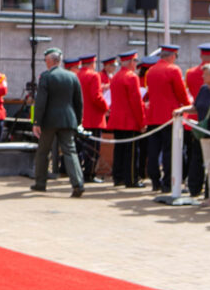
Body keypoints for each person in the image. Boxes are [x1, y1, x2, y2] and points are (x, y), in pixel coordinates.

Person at [174, 62, 210, 210]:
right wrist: (182, 110)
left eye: (206, 74)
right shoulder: (204, 89)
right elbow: (196, 108)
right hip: (205, 133)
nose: (203, 76)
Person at [31, 48, 85, 196]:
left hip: (49, 121)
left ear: (50, 61)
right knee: (70, 152)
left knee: (43, 152)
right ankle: (78, 183)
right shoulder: (72, 77)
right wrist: (78, 121)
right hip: (68, 119)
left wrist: (37, 122)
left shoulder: (46, 77)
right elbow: (79, 101)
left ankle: (40, 183)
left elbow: (41, 102)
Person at [143, 44, 191, 193]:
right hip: (170, 116)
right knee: (170, 151)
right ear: (172, 56)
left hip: (153, 116)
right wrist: (188, 106)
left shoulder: (150, 71)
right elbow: (181, 93)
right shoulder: (173, 70)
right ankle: (167, 183)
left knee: (153, 150)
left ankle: (155, 181)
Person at [184, 43, 210, 198]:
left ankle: (194, 188)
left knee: (196, 157)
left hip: (194, 121)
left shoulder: (190, 73)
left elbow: (186, 95)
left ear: (201, 55)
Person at [108, 51, 147, 188]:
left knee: (119, 150)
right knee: (131, 152)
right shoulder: (131, 77)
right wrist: (142, 121)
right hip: (129, 120)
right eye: (135, 61)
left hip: (117, 119)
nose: (136, 64)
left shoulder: (116, 76)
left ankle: (118, 177)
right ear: (131, 62)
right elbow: (136, 102)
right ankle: (131, 179)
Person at [77, 54, 108, 184]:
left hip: (80, 117)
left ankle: (79, 172)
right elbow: (96, 97)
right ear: (92, 63)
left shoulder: (77, 75)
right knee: (93, 149)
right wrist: (106, 107)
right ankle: (89, 174)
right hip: (94, 118)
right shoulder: (94, 75)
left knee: (80, 148)